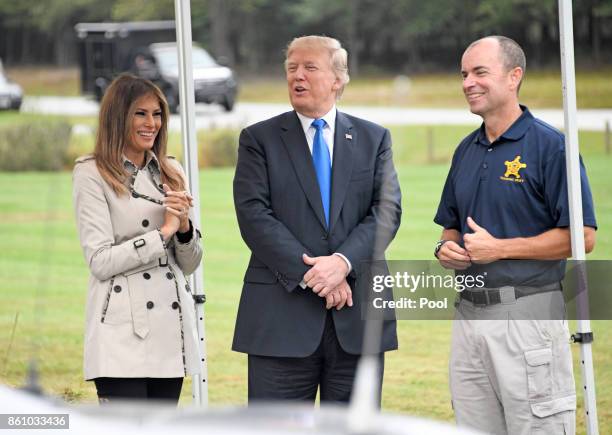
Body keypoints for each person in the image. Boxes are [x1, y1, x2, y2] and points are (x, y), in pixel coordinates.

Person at [434, 36, 597, 434]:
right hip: (468, 317)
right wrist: (446, 249)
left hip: (528, 315)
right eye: (464, 74)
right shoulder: (466, 150)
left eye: (480, 72)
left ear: (514, 77)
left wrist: (500, 249)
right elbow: (450, 226)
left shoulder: (551, 147)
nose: (468, 82)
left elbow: (583, 237)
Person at [232, 35, 401, 404]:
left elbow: (386, 211)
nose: (298, 76)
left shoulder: (374, 139)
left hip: (357, 321)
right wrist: (319, 276)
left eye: (310, 67)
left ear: (338, 79)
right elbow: (254, 216)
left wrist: (342, 263)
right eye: (292, 68)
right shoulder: (258, 140)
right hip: (280, 321)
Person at [73, 73, 203, 404]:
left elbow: (188, 264)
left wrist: (184, 227)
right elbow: (100, 262)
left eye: (157, 113)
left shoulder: (173, 171)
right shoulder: (91, 173)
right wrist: (164, 233)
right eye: (140, 113)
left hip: (168, 333)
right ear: (118, 117)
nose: (152, 123)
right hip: (120, 333)